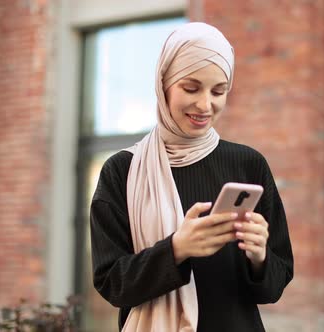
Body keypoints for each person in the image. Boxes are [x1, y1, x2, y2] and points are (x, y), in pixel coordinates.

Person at [90, 22, 293, 332]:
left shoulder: (248, 164)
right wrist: (176, 249)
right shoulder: (122, 171)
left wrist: (259, 256)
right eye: (191, 87)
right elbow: (112, 284)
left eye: (218, 91)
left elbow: (274, 287)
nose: (205, 105)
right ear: (163, 84)